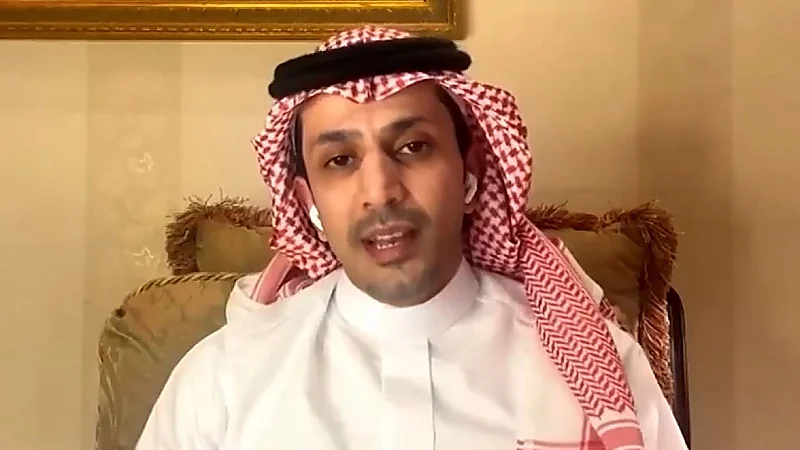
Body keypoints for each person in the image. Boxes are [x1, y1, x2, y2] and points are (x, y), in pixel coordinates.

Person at [135, 26, 688, 450]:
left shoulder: (600, 369)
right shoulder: (224, 379)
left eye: (413, 148)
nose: (380, 192)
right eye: (340, 160)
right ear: (307, 203)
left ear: (470, 173)